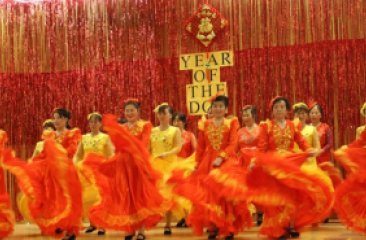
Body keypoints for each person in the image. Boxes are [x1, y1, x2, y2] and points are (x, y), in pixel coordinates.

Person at [85, 99, 169, 240]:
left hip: (137, 165)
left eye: (132, 110)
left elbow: (143, 144)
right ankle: (129, 229)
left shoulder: (145, 125)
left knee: (139, 197)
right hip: (123, 165)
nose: (129, 113)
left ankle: (141, 231)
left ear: (138, 111)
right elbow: (115, 146)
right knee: (125, 197)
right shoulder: (121, 127)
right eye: (127, 110)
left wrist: (132, 150)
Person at [2, 108, 82, 240]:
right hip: (50, 174)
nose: (56, 120)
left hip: (65, 172)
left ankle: (70, 229)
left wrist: (57, 153)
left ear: (66, 119)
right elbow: (43, 154)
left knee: (67, 200)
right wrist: (32, 164)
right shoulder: (50, 136)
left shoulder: (71, 134)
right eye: (54, 117)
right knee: (54, 200)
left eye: (59, 118)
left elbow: (71, 151)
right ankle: (59, 226)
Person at [74, 112, 114, 235]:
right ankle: (92, 223)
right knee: (87, 198)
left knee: (99, 198)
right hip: (85, 172)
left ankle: (101, 225)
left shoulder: (105, 138)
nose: (93, 124)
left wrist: (107, 166)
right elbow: (78, 154)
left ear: (100, 124)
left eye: (96, 122)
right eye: (91, 122)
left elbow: (110, 154)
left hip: (99, 171)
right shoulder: (84, 138)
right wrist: (75, 164)